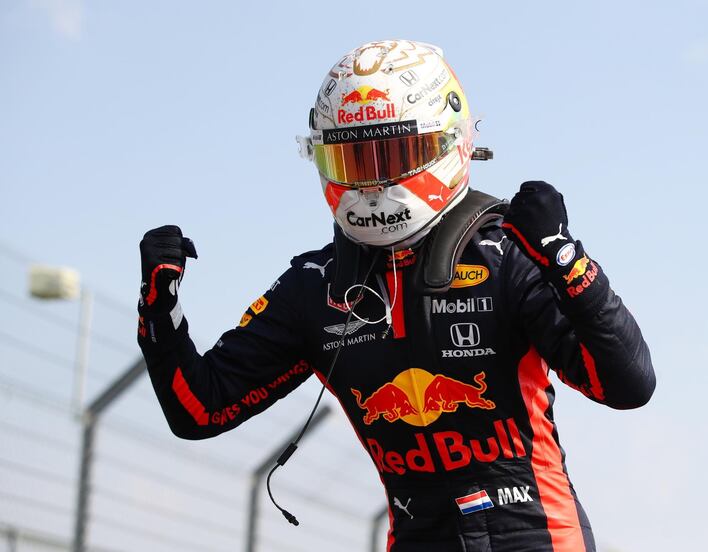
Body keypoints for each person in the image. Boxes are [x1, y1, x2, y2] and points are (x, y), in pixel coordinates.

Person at [137, 39, 655, 552]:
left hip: (538, 538)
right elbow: (199, 409)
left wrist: (570, 264)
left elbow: (628, 384)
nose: (373, 183)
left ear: (450, 143)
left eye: (394, 153)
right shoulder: (312, 286)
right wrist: (160, 312)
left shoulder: (511, 255)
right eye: (355, 159)